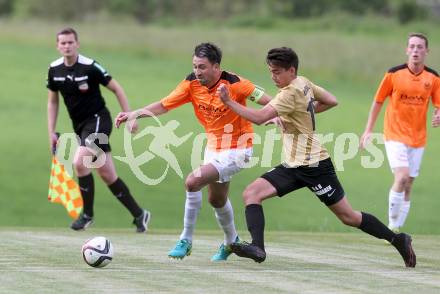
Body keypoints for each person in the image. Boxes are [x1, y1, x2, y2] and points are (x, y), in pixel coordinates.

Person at [217, 47, 416, 267]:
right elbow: (331, 100)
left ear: (291, 70)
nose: (273, 76)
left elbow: (258, 117)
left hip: (315, 166)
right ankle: (258, 248)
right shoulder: (303, 82)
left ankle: (399, 240)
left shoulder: (289, 93)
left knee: (349, 217)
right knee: (251, 193)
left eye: (277, 72)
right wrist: (299, 113)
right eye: (271, 71)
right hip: (293, 165)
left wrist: (229, 102)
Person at [115, 42, 272, 261]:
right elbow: (164, 105)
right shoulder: (191, 83)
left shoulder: (236, 84)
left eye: (202, 67)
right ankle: (231, 242)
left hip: (239, 148)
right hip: (213, 148)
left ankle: (186, 240)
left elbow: (269, 102)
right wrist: (134, 114)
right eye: (195, 66)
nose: (197, 72)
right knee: (217, 200)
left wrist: (277, 116)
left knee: (192, 181)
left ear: (216, 67)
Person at [47, 28, 151, 232]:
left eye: (70, 42)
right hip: (80, 126)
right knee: (107, 174)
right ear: (58, 46)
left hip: (98, 120)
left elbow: (117, 88)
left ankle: (86, 215)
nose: (67, 46)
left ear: (77, 44)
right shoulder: (54, 70)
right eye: (63, 43)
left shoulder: (90, 67)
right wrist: (51, 131)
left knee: (79, 162)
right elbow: (53, 101)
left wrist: (129, 116)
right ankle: (140, 214)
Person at [360, 33, 440, 232]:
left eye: (420, 47)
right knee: (402, 177)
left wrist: (439, 114)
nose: (415, 50)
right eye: (412, 46)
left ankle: (397, 228)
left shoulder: (433, 78)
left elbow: (439, 104)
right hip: (394, 134)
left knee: (409, 184)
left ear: (426, 51)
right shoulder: (394, 74)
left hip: (418, 138)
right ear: (407, 50)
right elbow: (378, 101)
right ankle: (392, 226)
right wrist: (368, 130)